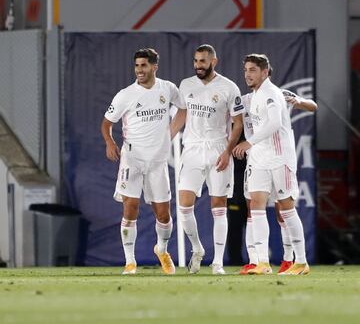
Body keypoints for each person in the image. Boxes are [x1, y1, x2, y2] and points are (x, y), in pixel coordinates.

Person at [101, 48, 182, 275]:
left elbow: (183, 110)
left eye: (144, 65)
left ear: (154, 67)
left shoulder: (168, 89)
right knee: (131, 207)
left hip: (157, 161)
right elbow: (106, 123)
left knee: (163, 214)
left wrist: (170, 133)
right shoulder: (125, 94)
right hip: (132, 158)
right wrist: (109, 142)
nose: (139, 70)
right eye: (137, 66)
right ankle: (130, 261)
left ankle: (162, 250)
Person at [233, 53, 310, 275]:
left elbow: (275, 123)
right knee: (255, 205)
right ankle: (263, 263)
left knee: (286, 207)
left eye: (253, 70)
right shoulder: (254, 95)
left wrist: (249, 142)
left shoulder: (271, 93)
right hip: (259, 159)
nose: (248, 74)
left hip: (279, 158)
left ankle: (301, 261)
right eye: (246, 69)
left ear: (265, 72)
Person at [171, 44, 244, 275]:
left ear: (214, 61)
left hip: (217, 149)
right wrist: (165, 140)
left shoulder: (229, 87)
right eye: (195, 61)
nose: (198, 66)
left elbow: (238, 122)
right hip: (191, 149)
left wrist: (227, 152)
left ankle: (218, 263)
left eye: (202, 61)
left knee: (218, 207)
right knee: (183, 206)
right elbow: (182, 113)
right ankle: (197, 249)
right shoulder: (186, 84)